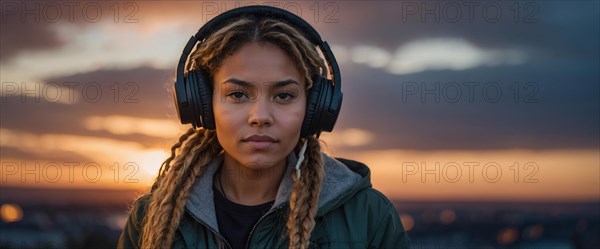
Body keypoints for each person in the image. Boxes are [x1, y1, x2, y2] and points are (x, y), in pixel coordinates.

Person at [117, 5, 410, 249]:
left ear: (314, 109)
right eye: (237, 94)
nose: (260, 116)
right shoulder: (151, 218)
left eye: (284, 96)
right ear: (204, 106)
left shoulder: (369, 217)